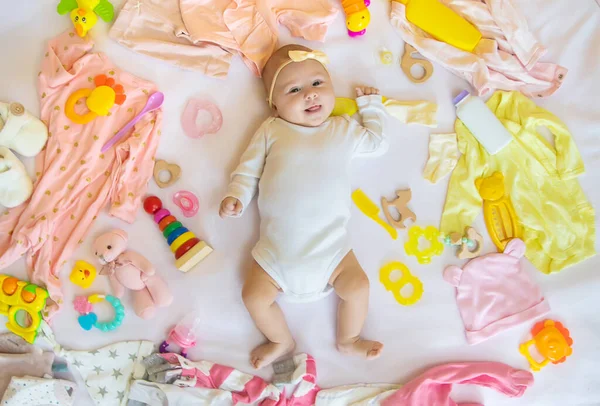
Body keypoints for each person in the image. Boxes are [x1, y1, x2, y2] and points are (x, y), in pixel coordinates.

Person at [220, 44, 388, 369]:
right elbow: (248, 169)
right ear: (274, 105)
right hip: (276, 254)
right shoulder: (272, 131)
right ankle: (280, 339)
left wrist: (371, 107)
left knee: (358, 286)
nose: (310, 95)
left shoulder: (342, 129)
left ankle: (349, 339)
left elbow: (377, 143)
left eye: (317, 84)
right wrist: (236, 196)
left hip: (333, 251)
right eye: (294, 90)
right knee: (254, 297)